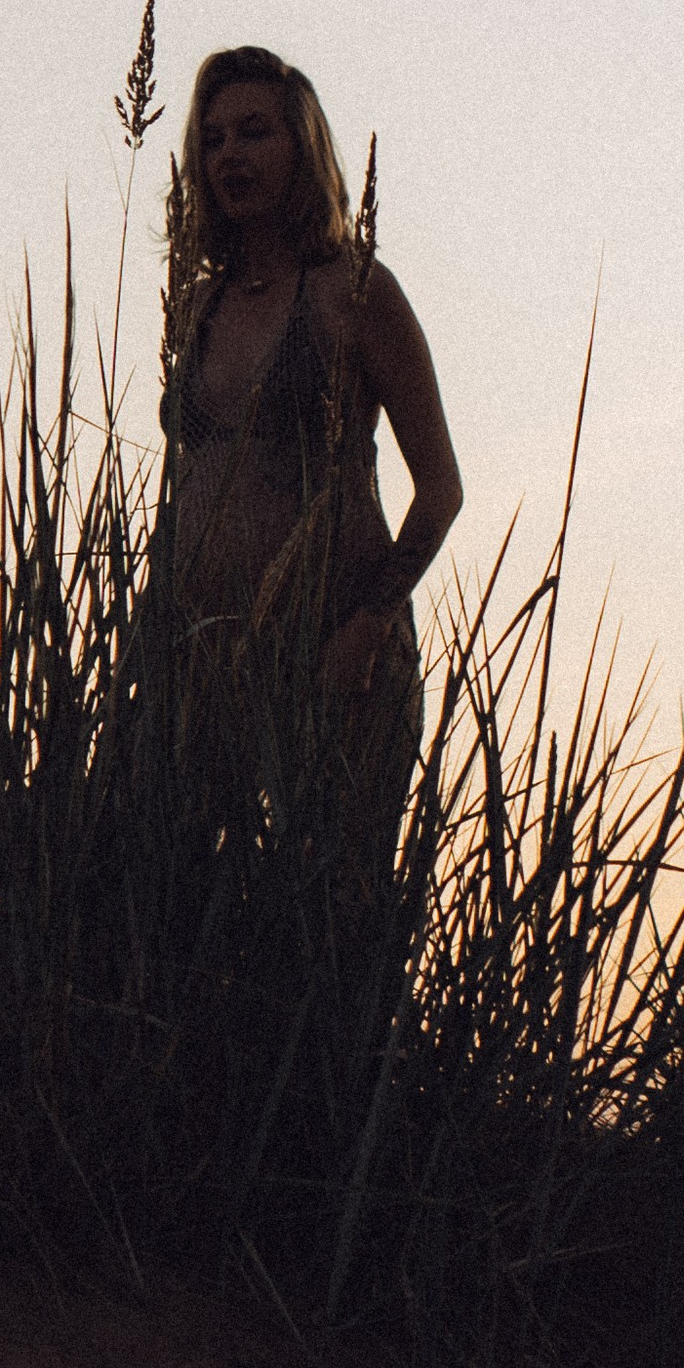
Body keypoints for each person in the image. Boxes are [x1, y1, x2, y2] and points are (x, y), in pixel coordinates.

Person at [163, 47, 463, 890]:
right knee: (185, 917)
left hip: (340, 659)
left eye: (255, 132)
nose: (230, 155)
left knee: (337, 921)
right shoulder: (199, 305)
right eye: (214, 137)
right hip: (208, 665)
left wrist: (368, 627)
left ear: (302, 147)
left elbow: (440, 489)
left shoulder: (355, 291)